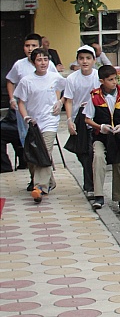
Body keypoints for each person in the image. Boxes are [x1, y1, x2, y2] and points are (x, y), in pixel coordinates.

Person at [84, 65, 120, 213]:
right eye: (110, 80)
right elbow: (87, 118)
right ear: (102, 81)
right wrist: (100, 127)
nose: (114, 82)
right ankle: (99, 195)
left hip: (119, 137)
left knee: (119, 165)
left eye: (115, 78)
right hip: (101, 137)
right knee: (99, 158)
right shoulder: (95, 96)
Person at [14, 48, 65, 203]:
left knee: (44, 151)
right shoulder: (26, 81)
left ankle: (40, 187)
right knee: (33, 155)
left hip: (50, 120)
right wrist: (26, 117)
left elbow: (67, 91)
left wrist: (60, 102)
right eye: (39, 60)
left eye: (45, 59)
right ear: (33, 62)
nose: (43, 63)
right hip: (34, 123)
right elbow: (20, 102)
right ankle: (50, 182)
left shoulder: (55, 77)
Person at [63, 45, 100, 197]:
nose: (84, 62)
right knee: (81, 152)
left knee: (91, 152)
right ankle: (89, 183)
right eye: (81, 58)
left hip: (95, 117)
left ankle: (90, 186)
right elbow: (69, 100)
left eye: (88, 58)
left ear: (94, 60)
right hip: (79, 118)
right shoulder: (72, 78)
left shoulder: (98, 76)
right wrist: (69, 120)